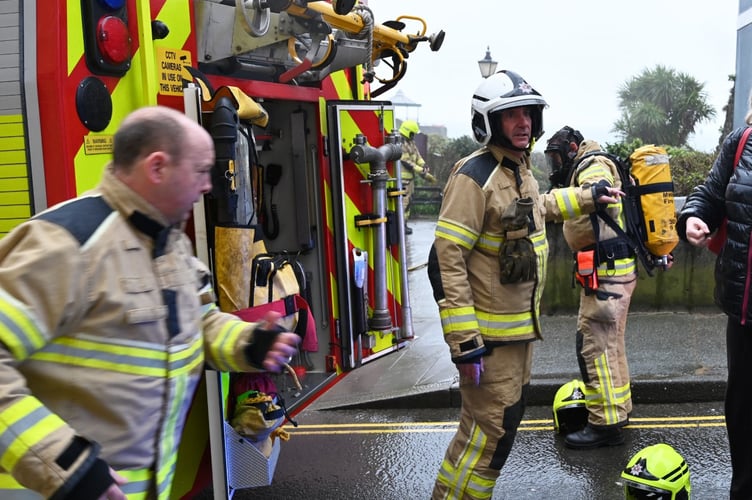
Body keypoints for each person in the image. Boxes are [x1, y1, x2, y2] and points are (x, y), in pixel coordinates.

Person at [0, 105, 300, 499]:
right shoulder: (65, 243)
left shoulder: (169, 242)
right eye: (199, 170)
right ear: (157, 168)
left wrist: (247, 343)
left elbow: (200, 322)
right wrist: (63, 464)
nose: (208, 185)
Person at [427, 70, 621, 499]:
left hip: (516, 337)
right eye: (511, 114)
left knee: (496, 433)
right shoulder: (474, 176)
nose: (524, 123)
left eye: (528, 114)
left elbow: (542, 208)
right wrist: (464, 342)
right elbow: (445, 260)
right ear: (488, 121)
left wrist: (589, 197)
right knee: (485, 438)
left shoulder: (517, 170)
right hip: (489, 344)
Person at [544, 126, 638, 449]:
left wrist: (591, 189)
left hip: (608, 272)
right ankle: (618, 410)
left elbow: (598, 186)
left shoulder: (591, 162)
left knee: (594, 346)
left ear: (573, 148)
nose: (555, 167)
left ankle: (605, 424)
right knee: (610, 345)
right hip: (611, 270)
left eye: (557, 158)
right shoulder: (588, 162)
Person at [677, 109, 752, 499]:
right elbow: (710, 194)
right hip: (744, 306)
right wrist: (692, 215)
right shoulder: (740, 143)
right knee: (743, 411)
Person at [398, 119, 435, 235]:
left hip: (410, 179)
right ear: (408, 131)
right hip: (403, 180)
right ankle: (400, 226)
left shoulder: (410, 142)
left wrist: (424, 165)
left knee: (408, 202)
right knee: (403, 203)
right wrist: (421, 171)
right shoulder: (401, 143)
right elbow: (405, 161)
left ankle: (404, 224)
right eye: (412, 133)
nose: (413, 136)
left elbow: (417, 156)